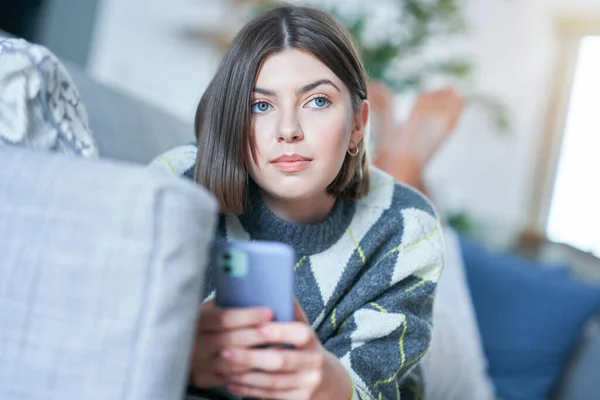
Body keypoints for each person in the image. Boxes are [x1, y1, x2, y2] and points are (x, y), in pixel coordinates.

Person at [150, 5, 444, 400]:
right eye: (261, 105)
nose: (288, 130)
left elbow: (370, 388)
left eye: (317, 101)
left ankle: (403, 159)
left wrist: (331, 385)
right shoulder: (173, 185)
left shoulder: (406, 226)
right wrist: (174, 356)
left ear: (358, 125)